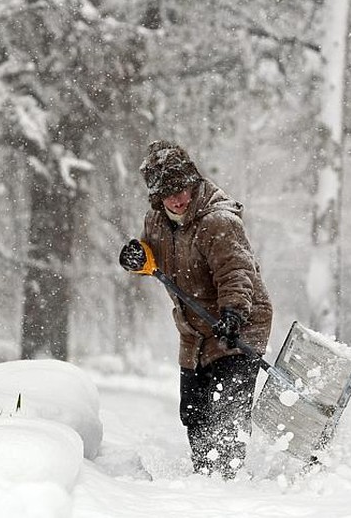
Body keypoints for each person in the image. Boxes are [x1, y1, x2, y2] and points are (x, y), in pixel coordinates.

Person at [119, 140, 273, 479]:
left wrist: (234, 313)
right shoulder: (157, 221)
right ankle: (206, 475)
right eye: (169, 193)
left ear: (195, 180)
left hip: (239, 324)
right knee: (193, 411)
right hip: (194, 331)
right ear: (157, 197)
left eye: (184, 188)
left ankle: (225, 482)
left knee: (225, 412)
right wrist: (138, 258)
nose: (179, 198)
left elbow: (236, 271)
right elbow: (155, 256)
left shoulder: (218, 221)